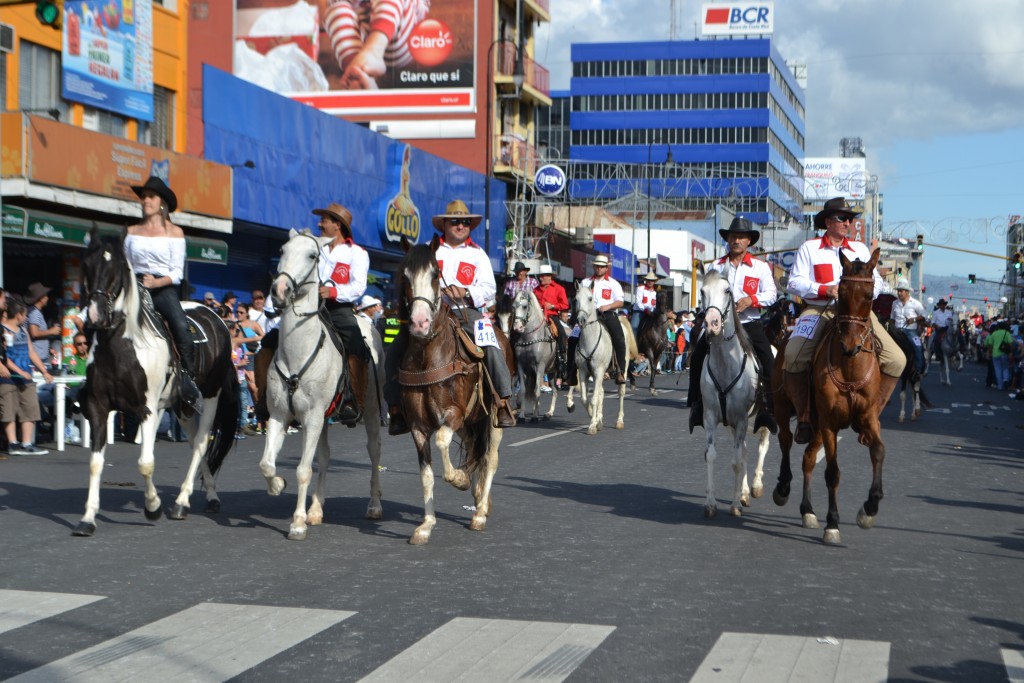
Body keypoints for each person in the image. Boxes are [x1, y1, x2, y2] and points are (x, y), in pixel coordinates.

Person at [384, 200, 516, 434]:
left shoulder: (477, 254)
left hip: (467, 311)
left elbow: (489, 288)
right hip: (432, 313)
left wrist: (466, 291)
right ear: (444, 224)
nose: (460, 226)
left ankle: (502, 401)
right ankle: (396, 409)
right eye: (455, 221)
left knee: (492, 345)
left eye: (465, 222)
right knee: (394, 350)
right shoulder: (427, 250)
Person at [783, 197, 905, 444]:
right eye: (842, 218)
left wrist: (863, 292)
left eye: (850, 219)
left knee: (897, 360)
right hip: (820, 309)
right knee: (793, 355)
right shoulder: (810, 248)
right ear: (828, 221)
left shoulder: (860, 249)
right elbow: (794, 282)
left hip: (857, 314)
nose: (848, 223)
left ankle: (871, 415)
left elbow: (878, 282)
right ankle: (804, 417)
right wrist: (823, 289)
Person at [686, 216, 779, 434]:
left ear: (749, 241)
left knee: (769, 360)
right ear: (727, 239)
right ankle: (697, 405)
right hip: (720, 325)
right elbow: (706, 294)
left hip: (748, 323)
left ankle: (768, 409)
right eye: (733, 236)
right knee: (697, 356)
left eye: (741, 237)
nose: (736, 240)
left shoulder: (760, 267)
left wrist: (751, 300)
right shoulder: (716, 266)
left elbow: (772, 294)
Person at [123, 175, 202, 409]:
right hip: (133, 285)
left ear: (162, 203)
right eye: (143, 197)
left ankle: (188, 377)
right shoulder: (131, 230)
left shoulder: (175, 232)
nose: (145, 200)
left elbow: (176, 272)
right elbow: (124, 264)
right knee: (107, 316)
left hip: (162, 287)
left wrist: (156, 283)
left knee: (180, 325)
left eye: (151, 196)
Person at [315, 201, 369, 426]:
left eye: (324, 221)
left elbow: (359, 287)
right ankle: (267, 400)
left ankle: (352, 399)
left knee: (356, 345)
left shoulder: (356, 253)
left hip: (338, 309)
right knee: (273, 339)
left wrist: (334, 291)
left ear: (337, 225)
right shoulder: (315, 248)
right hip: (310, 307)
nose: (319, 224)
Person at [320, 0, 431, 90]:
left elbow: (420, 11)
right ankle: (358, 73)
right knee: (335, 9)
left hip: (397, 37)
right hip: (361, 45)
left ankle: (372, 53)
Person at [568, 254, 628, 385]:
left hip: (607, 314)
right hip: (586, 316)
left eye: (602, 267)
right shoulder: (585, 282)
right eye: (597, 266)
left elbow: (620, 302)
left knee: (619, 338)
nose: (599, 269)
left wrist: (608, 306)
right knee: (572, 337)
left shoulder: (613, 283)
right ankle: (570, 372)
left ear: (606, 268)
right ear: (594, 267)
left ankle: (620, 371)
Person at [1, 300, 51, 455]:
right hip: (8, 377)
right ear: (18, 315)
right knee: (8, 409)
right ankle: (12, 443)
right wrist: (19, 371)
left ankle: (27, 442)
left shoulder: (23, 330)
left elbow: (31, 352)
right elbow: (4, 358)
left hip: (26, 376)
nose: (26, 318)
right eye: (25, 315)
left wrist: (44, 371)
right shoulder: (3, 330)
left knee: (30, 407)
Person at [533, 264, 570, 379]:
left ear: (550, 276)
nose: (541, 278)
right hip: (537, 317)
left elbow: (565, 305)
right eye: (540, 276)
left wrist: (553, 306)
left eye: (543, 276)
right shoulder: (535, 290)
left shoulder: (559, 289)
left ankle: (562, 358)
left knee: (561, 333)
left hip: (552, 316)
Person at [890, 278, 927, 372]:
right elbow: (892, 318)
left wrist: (914, 319)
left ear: (907, 292)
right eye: (898, 291)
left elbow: (924, 315)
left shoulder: (915, 303)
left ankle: (918, 370)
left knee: (918, 346)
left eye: (901, 291)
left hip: (910, 331)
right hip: (897, 331)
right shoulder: (894, 303)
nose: (899, 293)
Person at [25, 283, 61, 370]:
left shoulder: (36, 312)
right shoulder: (35, 313)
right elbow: (34, 333)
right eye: (46, 296)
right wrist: (51, 331)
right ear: (41, 298)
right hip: (37, 356)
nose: (47, 298)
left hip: (40, 354)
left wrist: (49, 349)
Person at [984, 321, 1015, 391]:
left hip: (995, 354)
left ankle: (1000, 386)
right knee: (1005, 368)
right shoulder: (1006, 333)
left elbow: (990, 345)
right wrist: (1011, 352)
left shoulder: (994, 333)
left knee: (998, 369)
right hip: (1004, 353)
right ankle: (1006, 379)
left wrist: (990, 352)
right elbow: (1011, 344)